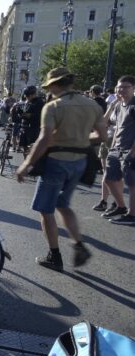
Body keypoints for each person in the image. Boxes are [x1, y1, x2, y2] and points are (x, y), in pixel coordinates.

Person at [16, 67, 107, 271]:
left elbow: (44, 139)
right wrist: (80, 139)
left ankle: (54, 256)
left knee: (45, 210)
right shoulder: (92, 105)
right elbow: (102, 136)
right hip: (80, 161)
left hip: (57, 161)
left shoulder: (54, 107)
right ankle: (78, 244)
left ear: (55, 85)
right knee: (63, 204)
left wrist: (26, 164)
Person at [100, 75, 135, 225]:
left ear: (133, 89)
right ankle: (121, 207)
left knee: (132, 184)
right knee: (109, 178)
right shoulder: (120, 105)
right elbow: (114, 126)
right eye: (119, 87)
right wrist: (113, 146)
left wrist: (133, 152)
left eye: (125, 87)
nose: (121, 90)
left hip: (130, 149)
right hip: (116, 148)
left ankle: (132, 215)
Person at [20, 86, 44, 153]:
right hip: (25, 127)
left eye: (28, 96)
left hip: (33, 129)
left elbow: (36, 116)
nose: (26, 98)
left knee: (30, 149)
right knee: (24, 148)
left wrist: (25, 114)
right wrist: (21, 113)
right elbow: (26, 112)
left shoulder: (39, 102)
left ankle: (30, 162)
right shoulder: (29, 102)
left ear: (31, 95)